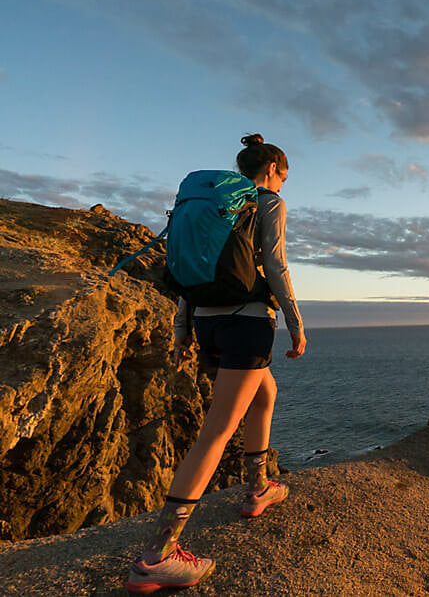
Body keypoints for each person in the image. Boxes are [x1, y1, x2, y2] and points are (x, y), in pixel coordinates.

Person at [125, 134, 306, 593]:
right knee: (218, 429)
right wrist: (295, 322)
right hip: (247, 322)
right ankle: (157, 557)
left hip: (207, 323)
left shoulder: (212, 206)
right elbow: (276, 265)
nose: (284, 185)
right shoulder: (266, 203)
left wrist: (184, 330)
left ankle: (258, 487)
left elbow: (191, 268)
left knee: (266, 393)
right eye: (285, 176)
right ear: (272, 170)